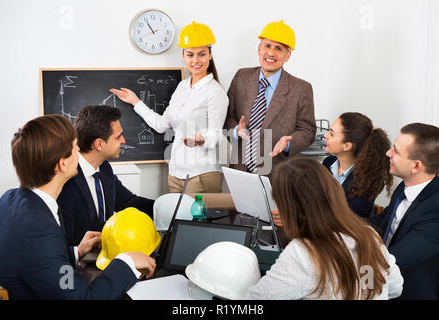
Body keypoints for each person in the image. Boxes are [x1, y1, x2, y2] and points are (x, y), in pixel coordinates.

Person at [0, 115, 155, 299]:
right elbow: (82, 298)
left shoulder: (9, 199)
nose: (79, 150)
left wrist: (77, 251)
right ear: (62, 164)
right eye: (74, 148)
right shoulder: (39, 228)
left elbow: (37, 262)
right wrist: (126, 261)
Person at [246, 158, 403, 300]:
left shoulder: (304, 252)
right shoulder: (370, 236)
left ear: (288, 207)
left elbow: (255, 301)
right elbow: (395, 288)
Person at [110, 21, 228, 193]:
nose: (195, 60)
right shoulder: (182, 87)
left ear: (210, 55)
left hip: (201, 174)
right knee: (172, 218)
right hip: (176, 172)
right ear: (183, 56)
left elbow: (215, 134)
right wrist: (135, 101)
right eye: (190, 55)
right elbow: (162, 125)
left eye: (201, 54)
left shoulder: (215, 92)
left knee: (193, 221)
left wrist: (201, 139)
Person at [224, 20, 316, 175]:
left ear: (287, 55)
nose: (271, 53)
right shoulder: (241, 77)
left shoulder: (301, 89)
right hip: (239, 170)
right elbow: (227, 117)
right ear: (259, 49)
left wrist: (288, 143)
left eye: (278, 48)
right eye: (267, 46)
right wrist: (235, 131)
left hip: (278, 174)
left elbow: (307, 131)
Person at [57, 105, 154, 246]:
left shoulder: (104, 168)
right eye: (118, 137)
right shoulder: (66, 179)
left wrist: (168, 208)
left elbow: (128, 202)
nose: (123, 141)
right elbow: (69, 237)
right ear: (99, 144)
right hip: (79, 260)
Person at [371, 123, 439, 300]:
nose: (388, 153)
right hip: (381, 282)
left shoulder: (436, 211)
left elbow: (391, 262)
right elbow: (381, 222)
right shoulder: (406, 186)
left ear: (416, 166)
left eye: (396, 151)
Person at [322, 112, 393, 218]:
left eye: (331, 133)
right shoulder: (328, 162)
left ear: (347, 146)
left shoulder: (367, 181)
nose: (325, 135)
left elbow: (343, 219)